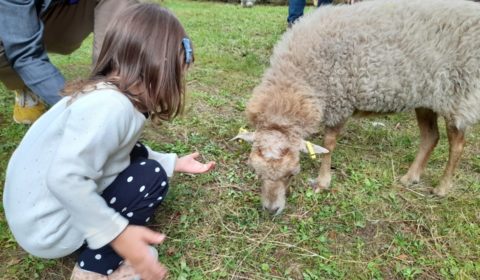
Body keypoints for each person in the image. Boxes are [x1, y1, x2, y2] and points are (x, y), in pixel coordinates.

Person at [3, 3, 215, 280]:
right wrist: (118, 234)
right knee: (150, 177)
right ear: (156, 69)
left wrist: (173, 162)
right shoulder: (111, 108)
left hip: (36, 216)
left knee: (148, 164)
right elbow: (65, 179)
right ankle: (95, 268)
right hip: (48, 229)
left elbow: (122, 152)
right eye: (178, 75)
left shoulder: (105, 95)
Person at [0, 0, 138, 124]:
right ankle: (25, 85)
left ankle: (110, 87)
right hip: (9, 18)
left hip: (57, 11)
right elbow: (25, 55)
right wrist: (78, 105)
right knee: (7, 51)